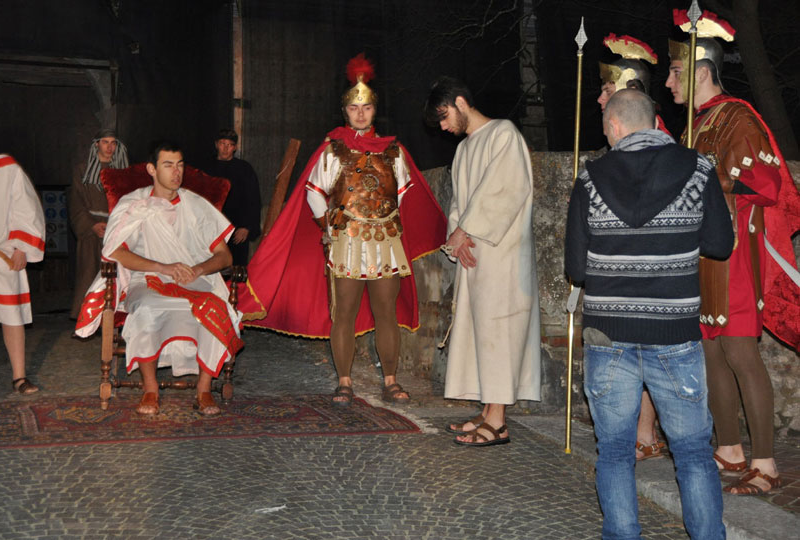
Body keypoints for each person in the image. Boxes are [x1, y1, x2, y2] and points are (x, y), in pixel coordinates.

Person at [566, 89, 732, 539]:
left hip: (606, 333)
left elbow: (575, 269)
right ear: (656, 123)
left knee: (615, 451)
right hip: (674, 330)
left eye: (606, 128)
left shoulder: (590, 178)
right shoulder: (698, 169)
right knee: (693, 452)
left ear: (616, 125)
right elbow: (720, 244)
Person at [236, 54, 446, 407]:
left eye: (366, 107)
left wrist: (392, 224)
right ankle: (345, 381)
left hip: (385, 240)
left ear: (374, 110)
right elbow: (313, 192)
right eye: (354, 108)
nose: (360, 114)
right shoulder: (332, 151)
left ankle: (390, 380)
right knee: (344, 312)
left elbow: (404, 196)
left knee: (386, 312)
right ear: (345, 111)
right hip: (346, 240)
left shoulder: (394, 152)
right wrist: (327, 226)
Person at [667, 28, 800, 495]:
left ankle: (765, 463)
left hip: (736, 255)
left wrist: (708, 176)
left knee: (741, 352)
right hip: (703, 256)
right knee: (711, 352)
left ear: (703, 72)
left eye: (677, 72)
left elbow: (767, 184)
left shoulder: (738, 117)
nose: (669, 82)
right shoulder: (695, 125)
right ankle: (729, 448)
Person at [74, 141, 243, 416]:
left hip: (192, 278)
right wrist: (163, 267)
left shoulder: (196, 206)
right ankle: (150, 388)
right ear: (152, 169)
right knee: (148, 310)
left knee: (215, 307)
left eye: (180, 165)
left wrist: (197, 270)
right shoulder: (134, 205)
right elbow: (116, 251)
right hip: (147, 279)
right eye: (168, 165)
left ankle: (204, 390)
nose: (177, 172)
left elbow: (225, 256)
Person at [424, 76, 541, 447]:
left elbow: (505, 190)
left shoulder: (504, 134)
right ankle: (488, 409)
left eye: (444, 116)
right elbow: (459, 203)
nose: (443, 126)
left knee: (500, 331)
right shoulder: (463, 149)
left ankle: (498, 422)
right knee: (480, 332)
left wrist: (466, 231)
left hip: (503, 254)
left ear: (461, 102)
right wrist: (456, 238)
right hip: (475, 254)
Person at [598, 33, 669, 461]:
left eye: (607, 90)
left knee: (647, 345)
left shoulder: (659, 143)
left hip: (651, 271)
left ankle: (646, 432)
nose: (599, 98)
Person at [0, 154, 45, 394]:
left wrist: (22, 247)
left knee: (11, 315)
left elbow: (25, 206)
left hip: (1, 252)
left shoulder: (5, 167)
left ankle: (19, 377)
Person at [68, 129, 129, 319]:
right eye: (105, 142)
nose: (110, 147)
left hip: (117, 228)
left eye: (113, 143)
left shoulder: (123, 171)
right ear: (96, 144)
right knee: (89, 274)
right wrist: (91, 225)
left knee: (117, 276)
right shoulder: (83, 170)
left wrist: (120, 225)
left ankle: (114, 319)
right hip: (92, 229)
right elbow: (76, 201)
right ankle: (86, 320)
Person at [201, 129, 262, 266]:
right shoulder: (206, 168)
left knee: (236, 268)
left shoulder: (245, 169)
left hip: (237, 230)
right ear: (216, 144)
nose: (225, 148)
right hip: (211, 229)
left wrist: (247, 227)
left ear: (235, 148)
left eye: (229, 145)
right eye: (222, 143)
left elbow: (253, 200)